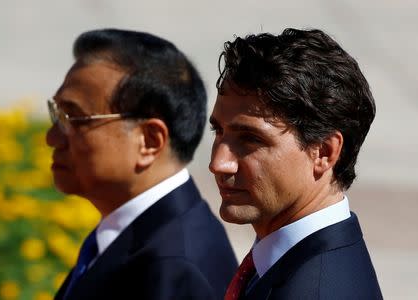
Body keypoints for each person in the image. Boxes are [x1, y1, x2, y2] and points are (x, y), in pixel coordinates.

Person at [46, 28, 237, 300]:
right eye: (57, 114)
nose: (52, 138)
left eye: (73, 118)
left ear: (149, 141)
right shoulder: (139, 233)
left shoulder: (174, 268)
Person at [209, 28, 382, 299]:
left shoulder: (315, 290)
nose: (219, 163)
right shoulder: (286, 261)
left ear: (324, 152)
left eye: (251, 139)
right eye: (218, 131)